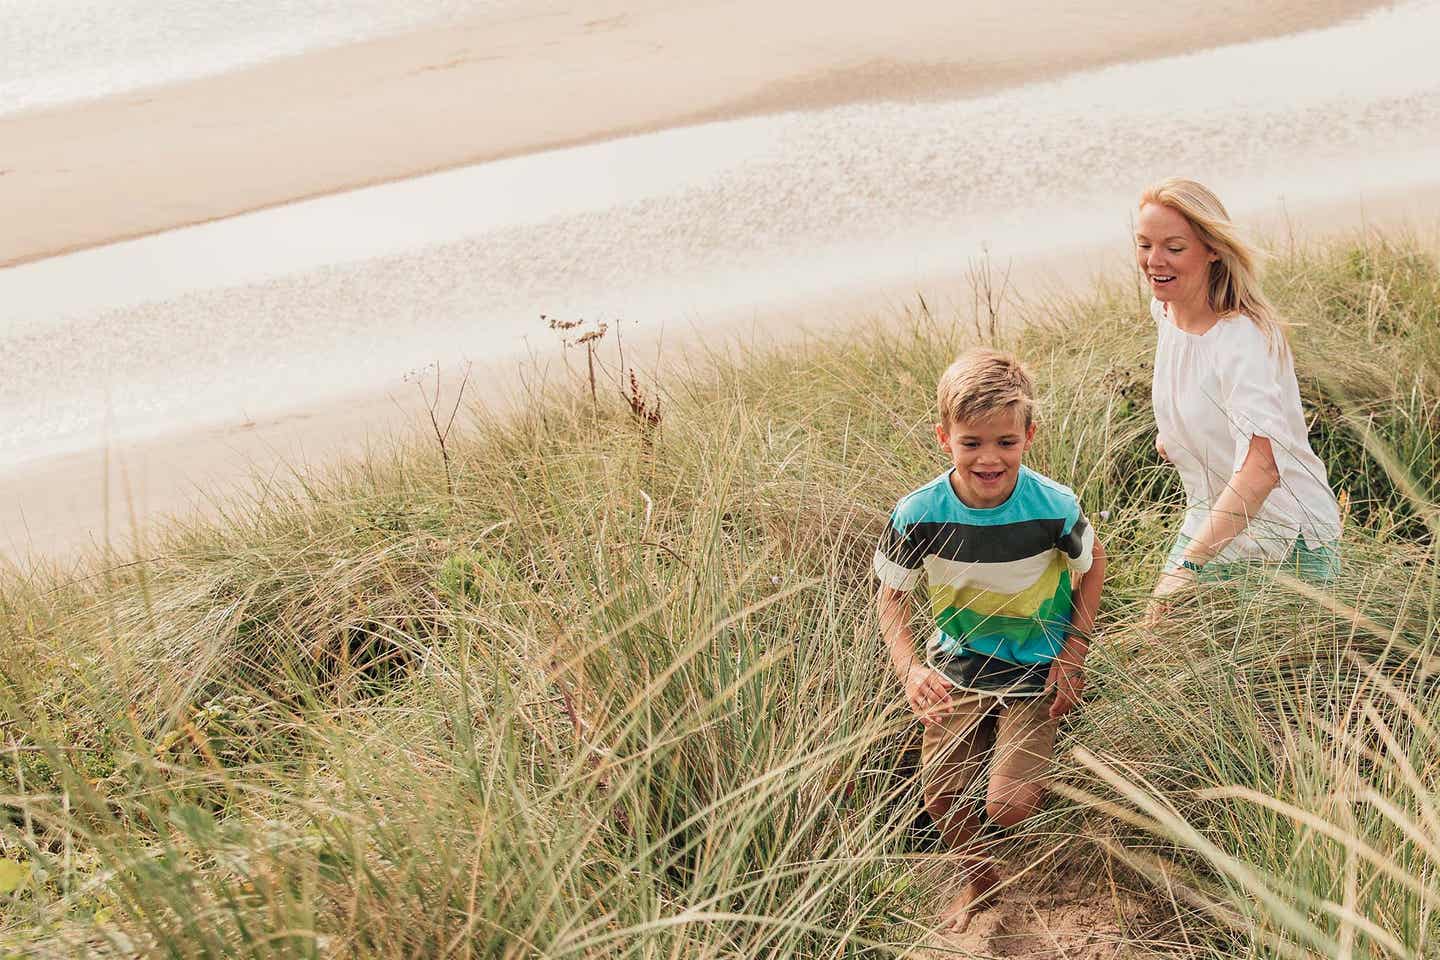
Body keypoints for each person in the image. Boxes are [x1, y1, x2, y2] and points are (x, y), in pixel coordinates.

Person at [874, 348, 1106, 933]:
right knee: (943, 800)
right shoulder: (919, 514)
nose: (989, 458)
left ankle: (1026, 776)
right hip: (956, 667)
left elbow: (1093, 562)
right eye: (971, 443)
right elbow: (891, 597)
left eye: (1005, 441)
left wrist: (1073, 658)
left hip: (1035, 669)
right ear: (944, 438)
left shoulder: (1054, 506)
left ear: (1029, 435)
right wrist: (910, 672)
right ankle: (980, 879)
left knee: (1008, 805)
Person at [1138, 178, 1341, 601]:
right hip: (1214, 519)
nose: (1155, 261)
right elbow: (1199, 390)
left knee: (1268, 668)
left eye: (1174, 248)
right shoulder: (1166, 310)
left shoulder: (1242, 338)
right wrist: (1176, 437)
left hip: (1286, 540)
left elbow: (1262, 468)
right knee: (1158, 636)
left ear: (1213, 249)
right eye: (1144, 245)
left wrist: (1189, 566)